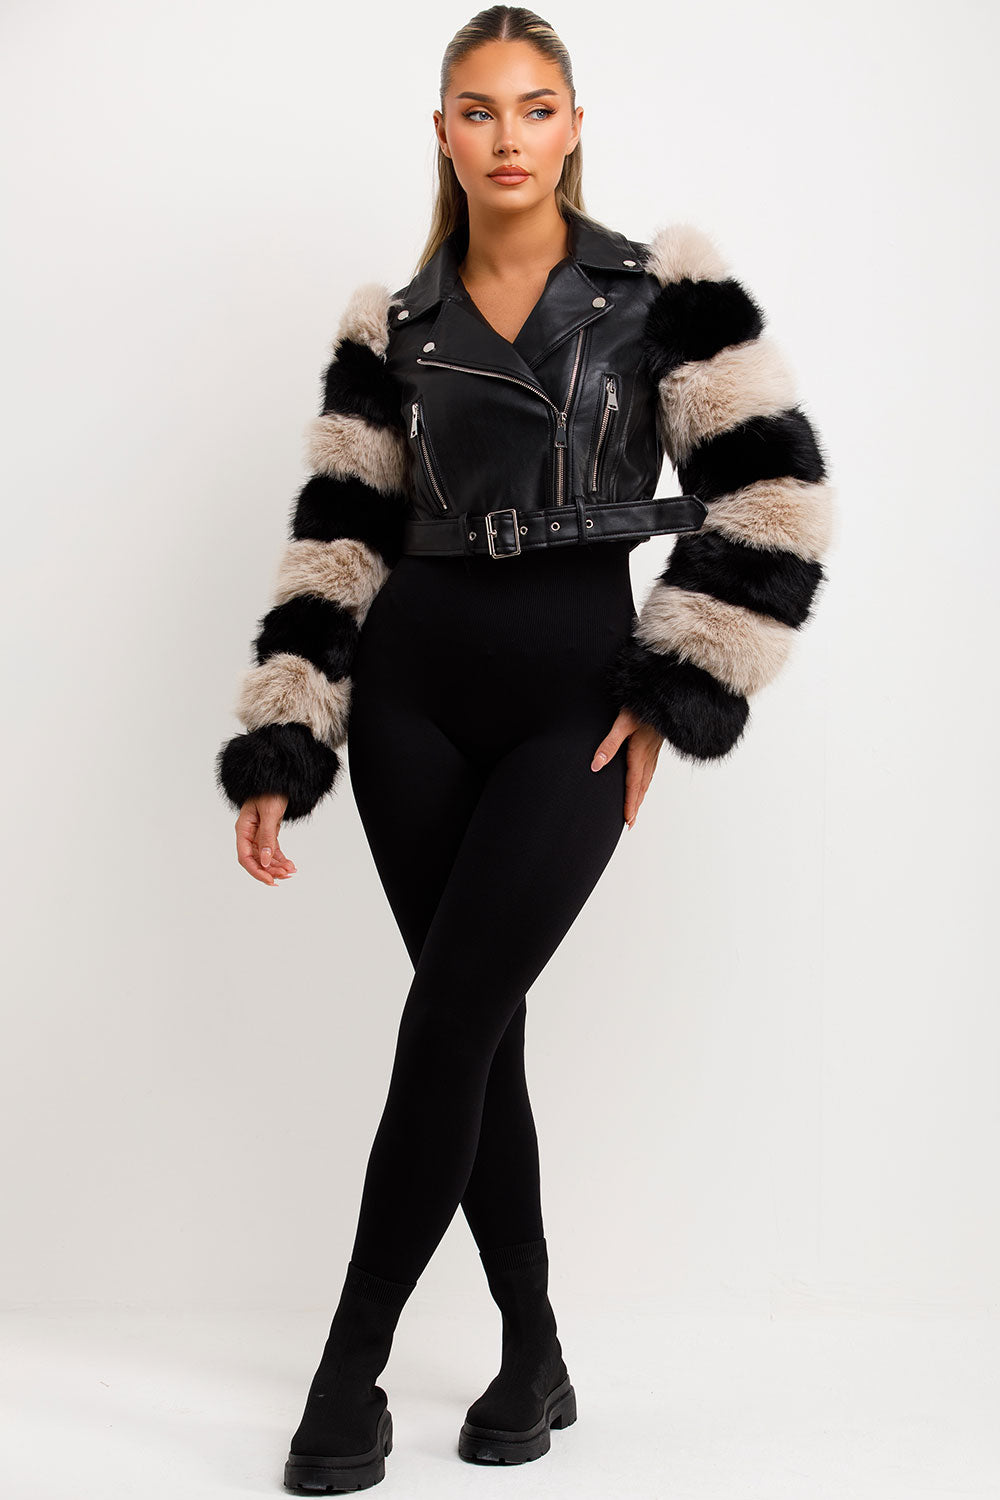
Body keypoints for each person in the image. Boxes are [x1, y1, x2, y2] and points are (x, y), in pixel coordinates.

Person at [215, 6, 833, 1491]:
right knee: (476, 1029)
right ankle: (534, 1350)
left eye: (535, 107)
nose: (508, 137)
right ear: (442, 131)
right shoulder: (391, 328)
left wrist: (676, 685)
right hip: (411, 705)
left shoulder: (665, 296)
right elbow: (341, 534)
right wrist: (288, 732)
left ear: (574, 126)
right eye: (480, 110)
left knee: (445, 1024)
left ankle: (348, 1373)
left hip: (577, 701)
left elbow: (776, 502)